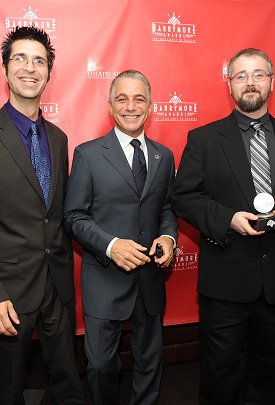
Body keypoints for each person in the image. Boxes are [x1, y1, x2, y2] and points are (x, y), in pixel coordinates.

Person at [63, 69, 178, 405]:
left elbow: (166, 209)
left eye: (139, 99)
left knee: (150, 363)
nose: (131, 106)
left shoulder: (163, 155)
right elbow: (73, 216)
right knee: (99, 366)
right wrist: (111, 246)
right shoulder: (88, 154)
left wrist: (169, 238)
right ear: (110, 107)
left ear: (151, 106)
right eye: (122, 99)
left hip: (150, 279)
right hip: (104, 278)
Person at [172, 48, 275, 405]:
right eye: (241, 75)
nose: (250, 82)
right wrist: (227, 218)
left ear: (271, 82)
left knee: (269, 373)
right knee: (219, 375)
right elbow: (183, 197)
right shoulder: (203, 139)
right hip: (226, 283)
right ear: (229, 84)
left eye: (258, 74)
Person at [0, 26, 84, 405]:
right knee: (8, 389)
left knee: (67, 386)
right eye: (20, 58)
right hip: (9, 293)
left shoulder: (59, 138)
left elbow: (58, 213)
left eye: (39, 61)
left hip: (58, 287)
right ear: (5, 70)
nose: (30, 68)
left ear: (49, 73)